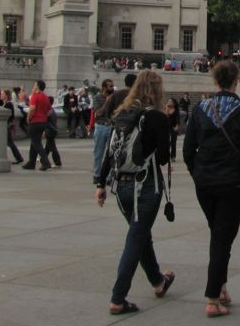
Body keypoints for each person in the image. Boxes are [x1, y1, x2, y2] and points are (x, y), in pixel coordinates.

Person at [183, 60, 240, 317]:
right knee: (222, 238)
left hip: (204, 183)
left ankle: (222, 286)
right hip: (232, 183)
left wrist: (197, 173)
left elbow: (187, 150)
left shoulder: (200, 109)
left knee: (219, 235)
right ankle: (211, 298)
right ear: (236, 81)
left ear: (214, 81)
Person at [95, 70, 175, 315]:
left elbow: (110, 152)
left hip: (121, 186)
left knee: (140, 235)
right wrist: (166, 129)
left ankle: (158, 281)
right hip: (146, 184)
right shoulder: (157, 118)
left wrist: (100, 184)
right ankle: (118, 298)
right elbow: (162, 157)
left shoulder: (121, 114)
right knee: (136, 238)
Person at [23, 80, 52, 171]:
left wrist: (28, 118)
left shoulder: (35, 96)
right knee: (34, 142)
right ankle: (31, 162)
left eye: (35, 85)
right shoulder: (45, 97)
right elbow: (50, 110)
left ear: (38, 86)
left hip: (35, 122)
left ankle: (46, 162)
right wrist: (43, 116)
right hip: (43, 122)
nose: (33, 86)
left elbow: (32, 108)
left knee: (36, 143)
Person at [91, 77, 117, 181]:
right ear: (104, 87)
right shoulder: (97, 98)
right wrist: (107, 102)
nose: (112, 88)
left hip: (111, 126)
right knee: (98, 152)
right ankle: (97, 175)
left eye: (112, 86)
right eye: (110, 86)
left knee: (111, 152)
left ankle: (109, 176)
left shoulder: (114, 97)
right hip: (100, 126)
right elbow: (98, 113)